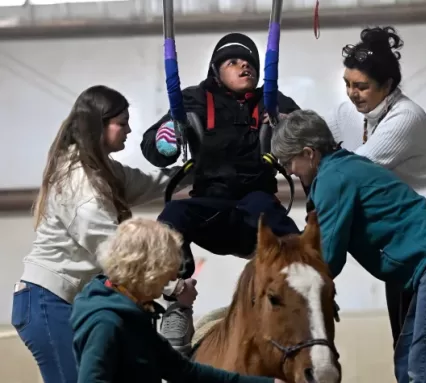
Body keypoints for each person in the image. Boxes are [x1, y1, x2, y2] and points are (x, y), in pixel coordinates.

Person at [271, 109, 426, 383]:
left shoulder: (333, 178)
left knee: (422, 368)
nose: (288, 170)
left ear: (309, 153)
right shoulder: (345, 166)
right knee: (407, 364)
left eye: (289, 162)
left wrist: (291, 289)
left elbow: (329, 257)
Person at [10, 85, 191, 383]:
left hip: (60, 301)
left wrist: (199, 171)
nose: (130, 129)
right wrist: (171, 287)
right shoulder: (81, 183)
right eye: (122, 122)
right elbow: (115, 251)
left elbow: (154, 183)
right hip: (50, 302)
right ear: (98, 125)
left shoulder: (104, 171)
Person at [140, 32, 301, 354]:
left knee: (282, 226)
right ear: (216, 70)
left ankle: (298, 295)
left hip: (254, 210)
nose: (245, 68)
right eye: (234, 62)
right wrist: (163, 139)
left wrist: (289, 126)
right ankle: (177, 304)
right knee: (171, 218)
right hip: (210, 207)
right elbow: (153, 149)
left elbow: (309, 134)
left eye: (250, 64)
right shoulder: (193, 100)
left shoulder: (272, 101)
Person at [327, 26, 426, 347]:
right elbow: (315, 141)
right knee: (403, 346)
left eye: (361, 87)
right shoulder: (350, 112)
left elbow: (355, 171)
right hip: (400, 246)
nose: (351, 93)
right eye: (346, 84)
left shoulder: (406, 117)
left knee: (418, 353)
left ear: (387, 85)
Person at [70, 217, 287, 383]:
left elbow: (185, 372)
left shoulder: (132, 313)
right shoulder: (106, 323)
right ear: (147, 270)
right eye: (168, 268)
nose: (173, 277)